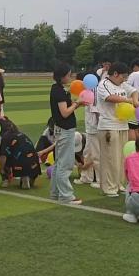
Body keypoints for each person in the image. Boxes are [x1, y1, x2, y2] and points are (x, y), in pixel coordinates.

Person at [97, 62, 139, 197]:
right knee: (110, 158)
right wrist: (128, 100)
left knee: (121, 158)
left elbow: (134, 91)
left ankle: (119, 184)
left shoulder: (122, 84)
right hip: (109, 126)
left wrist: (135, 100)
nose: (124, 79)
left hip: (123, 125)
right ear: (115, 74)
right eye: (123, 76)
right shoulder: (103, 84)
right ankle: (109, 187)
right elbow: (109, 98)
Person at [49, 63, 84, 205]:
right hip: (65, 129)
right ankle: (66, 196)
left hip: (62, 129)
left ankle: (55, 193)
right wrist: (76, 104)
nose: (70, 77)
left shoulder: (58, 89)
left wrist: (77, 104)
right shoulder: (58, 91)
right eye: (69, 75)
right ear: (62, 76)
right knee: (65, 164)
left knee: (59, 163)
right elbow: (64, 113)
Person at [0, 118, 41, 189]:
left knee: (4, 156)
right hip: (35, 162)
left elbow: (3, 156)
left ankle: (8, 179)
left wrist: (1, 169)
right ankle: (30, 177)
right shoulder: (21, 134)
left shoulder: (5, 137)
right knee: (21, 154)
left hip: (21, 163)